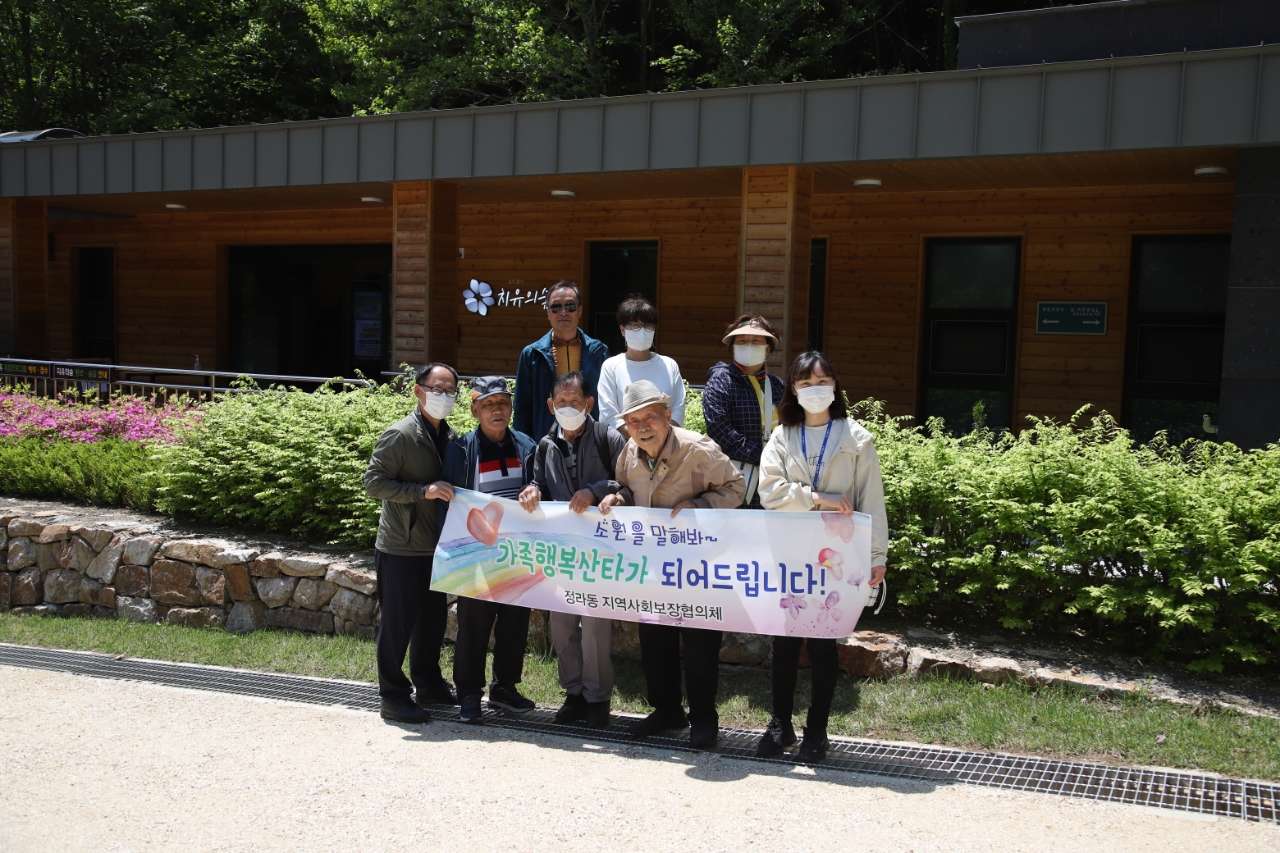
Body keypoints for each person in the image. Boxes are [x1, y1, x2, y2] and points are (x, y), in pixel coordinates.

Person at [756, 351, 889, 764]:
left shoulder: (856, 438)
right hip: (790, 553)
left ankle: (817, 730)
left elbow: (871, 499)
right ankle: (780, 724)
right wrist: (818, 498)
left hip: (837, 557)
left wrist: (876, 555)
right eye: (806, 383)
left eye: (822, 382)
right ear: (793, 390)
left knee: (823, 643)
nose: (815, 390)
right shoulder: (782, 436)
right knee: (784, 641)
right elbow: (769, 492)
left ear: (835, 386)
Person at [597, 380, 745, 748]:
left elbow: (736, 487)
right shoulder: (629, 452)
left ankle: (704, 718)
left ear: (667, 415)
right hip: (652, 565)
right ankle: (667, 711)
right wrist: (618, 498)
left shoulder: (698, 449)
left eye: (650, 417)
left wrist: (701, 505)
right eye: (634, 421)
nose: (642, 427)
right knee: (655, 640)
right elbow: (626, 487)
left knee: (699, 643)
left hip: (698, 565)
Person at [517, 370, 628, 729]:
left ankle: (597, 698)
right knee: (562, 624)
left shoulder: (607, 437)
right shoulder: (545, 445)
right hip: (562, 552)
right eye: (561, 401)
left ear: (589, 404)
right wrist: (532, 492)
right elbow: (539, 484)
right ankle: (573, 692)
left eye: (575, 401)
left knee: (595, 626)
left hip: (601, 552)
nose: (567, 406)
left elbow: (628, 483)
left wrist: (596, 491)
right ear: (551, 405)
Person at [363, 362, 462, 724]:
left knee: (432, 622)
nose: (444, 396)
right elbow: (374, 483)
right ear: (419, 391)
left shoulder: (450, 436)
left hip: (435, 545)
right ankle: (392, 696)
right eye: (437, 389)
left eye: (450, 391)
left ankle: (429, 683)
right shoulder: (400, 435)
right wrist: (422, 491)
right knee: (398, 624)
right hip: (401, 546)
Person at [438, 376, 539, 724]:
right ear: (475, 410)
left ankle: (504, 688)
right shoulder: (461, 450)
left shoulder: (527, 446)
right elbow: (448, 502)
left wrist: (534, 488)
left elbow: (538, 484)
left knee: (514, 624)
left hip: (517, 553)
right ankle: (469, 693)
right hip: (475, 554)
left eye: (503, 403)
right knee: (474, 625)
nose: (497, 410)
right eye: (489, 404)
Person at [702, 314, 787, 508]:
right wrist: (763, 457)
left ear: (767, 349)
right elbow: (719, 430)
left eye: (756, 341)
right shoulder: (721, 381)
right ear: (732, 347)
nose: (749, 345)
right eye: (741, 341)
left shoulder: (777, 385)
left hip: (775, 477)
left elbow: (791, 428)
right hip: (735, 475)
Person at [514, 281, 610, 440]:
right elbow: (522, 409)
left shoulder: (599, 352)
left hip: (590, 440)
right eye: (556, 307)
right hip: (546, 440)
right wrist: (525, 447)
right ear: (548, 312)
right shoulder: (532, 355)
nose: (563, 312)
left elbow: (608, 404)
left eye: (570, 306)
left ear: (580, 310)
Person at [597, 296, 686, 438]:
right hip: (625, 446)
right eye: (635, 325)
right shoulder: (611, 367)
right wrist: (642, 440)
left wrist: (659, 442)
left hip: (666, 445)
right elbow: (609, 415)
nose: (642, 331)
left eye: (648, 326)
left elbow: (678, 409)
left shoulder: (669, 365)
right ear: (622, 330)